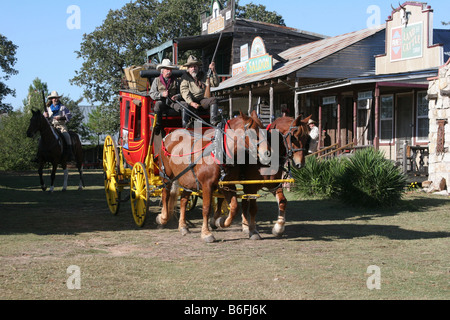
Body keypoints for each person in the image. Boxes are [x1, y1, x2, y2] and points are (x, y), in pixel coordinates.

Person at [180, 55, 220, 126]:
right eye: (191, 67)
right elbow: (184, 92)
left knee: (214, 99)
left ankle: (213, 121)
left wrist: (213, 71)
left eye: (195, 66)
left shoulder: (204, 75)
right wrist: (191, 103)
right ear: (188, 68)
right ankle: (189, 128)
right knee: (190, 109)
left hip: (203, 101)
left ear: (198, 67)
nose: (193, 68)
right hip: (191, 102)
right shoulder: (185, 78)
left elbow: (216, 83)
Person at [149, 59, 185, 135]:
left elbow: (181, 93)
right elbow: (152, 93)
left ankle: (185, 127)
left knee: (184, 106)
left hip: (173, 103)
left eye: (170, 69)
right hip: (162, 103)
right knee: (158, 105)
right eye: (167, 69)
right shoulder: (156, 80)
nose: (169, 71)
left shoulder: (176, 80)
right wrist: (161, 94)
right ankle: (158, 125)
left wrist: (177, 96)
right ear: (162, 70)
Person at [44, 91, 73, 160]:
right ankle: (40, 154)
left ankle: (69, 153)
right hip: (51, 127)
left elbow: (69, 116)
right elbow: (44, 120)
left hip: (61, 126)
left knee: (67, 136)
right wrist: (45, 116)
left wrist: (60, 118)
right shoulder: (48, 109)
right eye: (54, 98)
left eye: (56, 98)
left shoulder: (63, 107)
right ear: (51, 99)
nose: (55, 99)